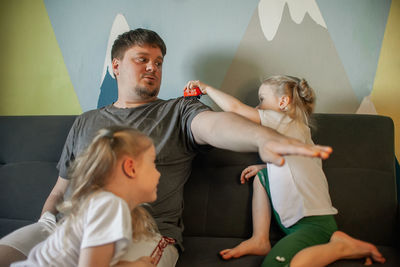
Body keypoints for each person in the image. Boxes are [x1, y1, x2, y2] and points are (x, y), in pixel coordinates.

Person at [0, 29, 332, 266]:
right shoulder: (86, 121)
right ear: (115, 66)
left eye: (158, 63)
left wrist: (263, 137)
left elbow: (215, 126)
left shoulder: (178, 110)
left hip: (143, 232)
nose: (152, 68)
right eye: (142, 59)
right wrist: (46, 222)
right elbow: (61, 189)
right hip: (63, 225)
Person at [184, 76, 386, 267]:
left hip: (311, 223)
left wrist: (206, 88)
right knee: (261, 178)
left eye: (262, 100)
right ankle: (260, 239)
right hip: (300, 224)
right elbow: (301, 167)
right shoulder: (298, 131)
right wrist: (267, 168)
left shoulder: (283, 121)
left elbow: (236, 109)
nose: (258, 106)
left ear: (283, 102)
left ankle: (340, 248)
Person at [12, 126, 162, 266]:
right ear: (131, 168)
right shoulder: (109, 205)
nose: (158, 173)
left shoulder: (105, 204)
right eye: (153, 163)